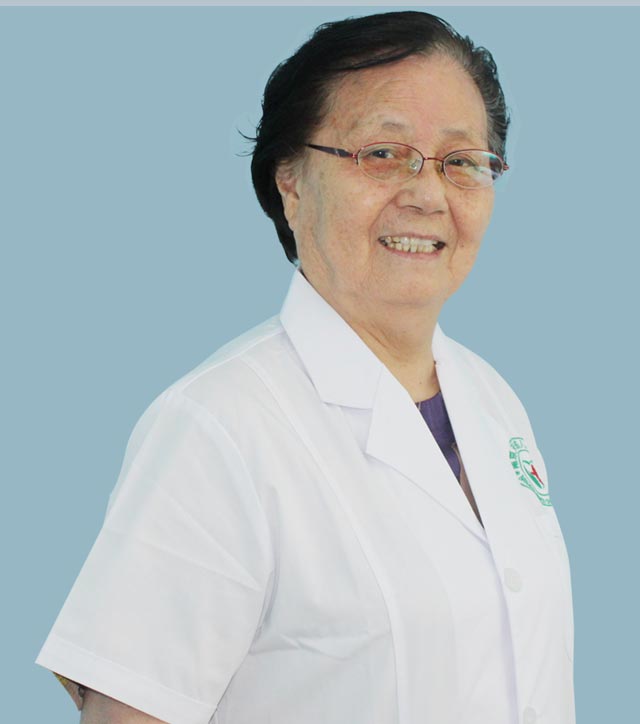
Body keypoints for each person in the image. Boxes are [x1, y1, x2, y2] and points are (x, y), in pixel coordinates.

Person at [37, 10, 575, 724]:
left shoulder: (493, 400)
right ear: (290, 182)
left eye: (461, 161)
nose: (428, 193)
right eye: (382, 153)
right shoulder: (217, 429)